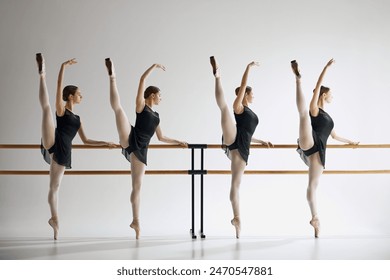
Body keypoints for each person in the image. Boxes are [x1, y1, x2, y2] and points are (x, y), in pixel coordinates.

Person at [105, 58, 187, 239]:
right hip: (130, 136)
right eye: (159, 95)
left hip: (141, 150)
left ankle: (136, 220)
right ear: (151, 96)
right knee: (118, 109)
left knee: (137, 186)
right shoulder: (141, 106)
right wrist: (154, 66)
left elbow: (161, 137)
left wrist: (178, 141)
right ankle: (112, 77)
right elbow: (142, 81)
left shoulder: (157, 116)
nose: (161, 98)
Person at [36, 53, 115, 240]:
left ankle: (54, 219)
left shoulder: (78, 119)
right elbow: (58, 88)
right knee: (47, 108)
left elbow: (86, 140)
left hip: (63, 151)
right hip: (53, 139)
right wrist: (63, 66)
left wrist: (106, 143)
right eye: (79, 94)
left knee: (54, 188)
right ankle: (42, 73)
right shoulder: (62, 110)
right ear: (70, 96)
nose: (82, 96)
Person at [291, 58, 359, 238]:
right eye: (330, 94)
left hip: (319, 153)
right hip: (309, 140)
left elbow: (335, 136)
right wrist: (326, 68)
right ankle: (298, 79)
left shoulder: (328, 117)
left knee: (311, 187)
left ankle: (315, 219)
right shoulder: (315, 109)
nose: (332, 96)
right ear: (323, 95)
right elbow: (318, 84)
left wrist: (350, 142)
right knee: (304, 115)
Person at [210, 56, 273, 238]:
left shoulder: (249, 111)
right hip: (234, 138)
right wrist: (248, 68)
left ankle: (236, 219)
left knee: (235, 185)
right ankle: (217, 76)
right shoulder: (239, 107)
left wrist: (262, 141)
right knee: (224, 108)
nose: (253, 95)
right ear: (245, 94)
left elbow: (248, 133)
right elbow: (243, 86)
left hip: (242, 144)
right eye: (251, 93)